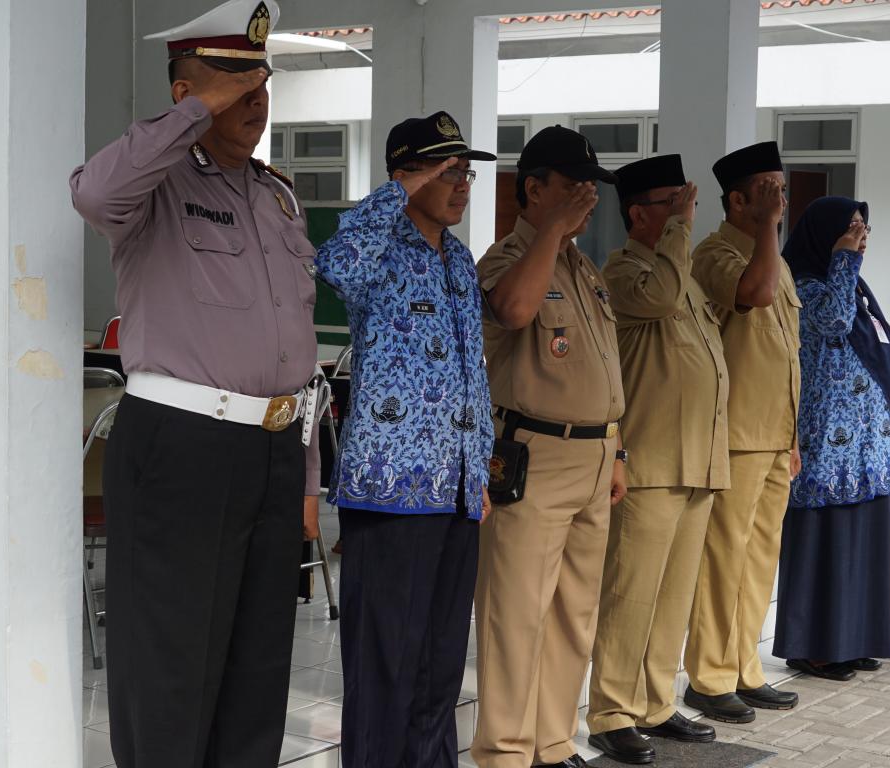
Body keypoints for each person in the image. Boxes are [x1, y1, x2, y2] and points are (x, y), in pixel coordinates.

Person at [69, 1, 322, 764]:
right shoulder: (155, 186)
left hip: (275, 446)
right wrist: (190, 116)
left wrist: (306, 475)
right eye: (232, 84)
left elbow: (299, 351)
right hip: (182, 446)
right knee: (171, 671)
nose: (255, 100)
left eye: (263, 81)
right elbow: (91, 194)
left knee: (257, 669)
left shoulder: (277, 197)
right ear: (186, 95)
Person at [314, 111, 496, 767]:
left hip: (453, 495)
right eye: (446, 171)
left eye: (465, 171)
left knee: (440, 665)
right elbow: (331, 264)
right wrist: (396, 190)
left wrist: (477, 473)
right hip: (390, 493)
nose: (462, 184)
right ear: (408, 175)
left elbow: (472, 372)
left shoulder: (459, 260)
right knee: (385, 663)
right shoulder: (376, 251)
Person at [472, 125, 627, 768]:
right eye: (572, 188)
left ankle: (552, 742)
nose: (588, 201)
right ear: (533, 190)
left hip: (594, 459)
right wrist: (550, 233)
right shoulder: (509, 258)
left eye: (592, 189)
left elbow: (606, 370)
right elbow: (511, 310)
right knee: (517, 616)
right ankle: (506, 751)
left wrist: (616, 448)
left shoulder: (582, 267)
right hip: (533, 458)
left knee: (573, 613)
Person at [586, 154, 724, 764]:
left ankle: (655, 704)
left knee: (673, 596)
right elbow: (663, 300)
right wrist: (680, 231)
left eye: (684, 204)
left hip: (697, 458)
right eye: (671, 204)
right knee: (630, 595)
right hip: (649, 461)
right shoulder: (625, 273)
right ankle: (612, 712)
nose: (684, 213)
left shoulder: (680, 273)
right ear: (639, 213)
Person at [683, 141, 801, 724]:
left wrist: (794, 436)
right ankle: (707, 676)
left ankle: (742, 668)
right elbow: (753, 297)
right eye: (768, 191)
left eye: (783, 188)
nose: (781, 199)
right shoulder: (715, 254)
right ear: (736, 200)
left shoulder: (770, 254)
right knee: (723, 558)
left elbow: (788, 354)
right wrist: (771, 230)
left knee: (759, 558)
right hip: (733, 435)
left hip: (775, 433)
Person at [773, 197, 890, 681]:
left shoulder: (852, 283)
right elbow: (831, 321)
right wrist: (846, 259)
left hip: (869, 448)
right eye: (849, 227)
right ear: (823, 233)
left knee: (864, 543)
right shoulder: (801, 283)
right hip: (827, 445)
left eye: (863, 227)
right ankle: (813, 646)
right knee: (824, 544)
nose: (860, 235)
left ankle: (854, 640)